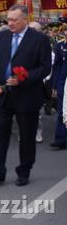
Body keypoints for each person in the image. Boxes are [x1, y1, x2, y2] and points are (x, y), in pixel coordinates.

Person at [0, 4, 51, 187]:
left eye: (14, 20)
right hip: (2, 96)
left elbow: (45, 68)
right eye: (8, 19)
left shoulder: (39, 39)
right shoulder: (1, 37)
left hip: (27, 96)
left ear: (25, 20)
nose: (10, 23)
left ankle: (24, 171)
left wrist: (24, 78)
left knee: (27, 136)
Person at [50, 19, 67, 150]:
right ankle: (60, 139)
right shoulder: (61, 45)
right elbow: (56, 67)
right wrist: (54, 86)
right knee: (62, 110)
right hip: (63, 83)